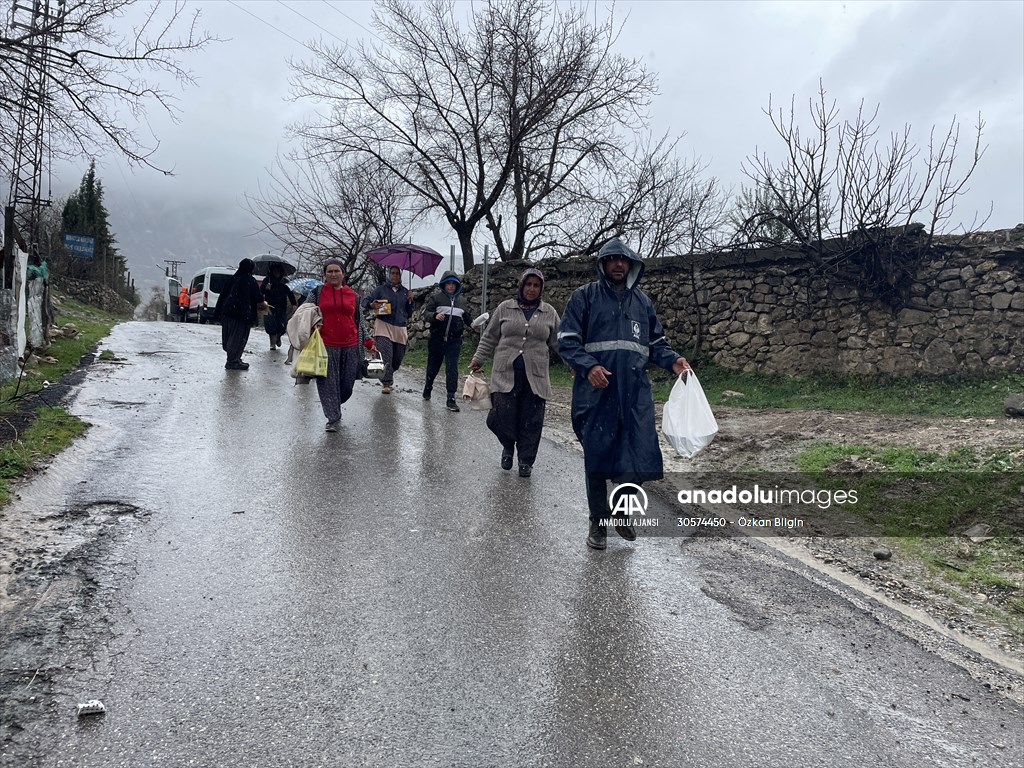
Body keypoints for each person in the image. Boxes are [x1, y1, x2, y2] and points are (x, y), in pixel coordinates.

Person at [558, 238, 693, 551]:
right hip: (596, 395)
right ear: (603, 264)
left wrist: (673, 360)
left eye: (624, 260)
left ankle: (620, 511)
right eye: (613, 259)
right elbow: (566, 341)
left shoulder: (642, 302)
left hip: (634, 396)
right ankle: (597, 523)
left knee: (637, 455)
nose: (619, 265)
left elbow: (655, 343)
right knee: (597, 459)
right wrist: (588, 366)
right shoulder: (584, 297)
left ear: (631, 265)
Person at [469, 268, 561, 478]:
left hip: (535, 377)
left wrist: (575, 364)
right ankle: (508, 445)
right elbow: (490, 337)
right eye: (528, 284)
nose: (531, 289)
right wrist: (478, 358)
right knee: (499, 417)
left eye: (536, 285)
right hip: (505, 374)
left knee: (532, 420)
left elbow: (559, 342)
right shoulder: (505, 308)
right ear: (521, 285)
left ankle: (526, 461)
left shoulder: (549, 313)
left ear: (541, 289)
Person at [301, 259, 372, 431]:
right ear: (325, 275)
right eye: (329, 271)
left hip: (351, 344)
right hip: (325, 345)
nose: (333, 274)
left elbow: (360, 321)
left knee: (347, 385)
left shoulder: (353, 295)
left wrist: (368, 341)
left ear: (343, 274)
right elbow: (304, 312)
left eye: (336, 271)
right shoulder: (317, 293)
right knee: (327, 382)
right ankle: (333, 418)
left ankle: (335, 402)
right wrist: (313, 322)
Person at [422, 271, 475, 412]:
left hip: (454, 340)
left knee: (452, 368)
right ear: (443, 284)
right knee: (433, 366)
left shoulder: (462, 301)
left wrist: (475, 324)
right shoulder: (436, 298)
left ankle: (451, 398)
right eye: (448, 283)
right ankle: (428, 386)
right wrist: (434, 315)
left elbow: (468, 319)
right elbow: (426, 314)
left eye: (453, 283)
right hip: (437, 339)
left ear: (457, 285)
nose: (451, 286)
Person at [362, 266, 415, 394]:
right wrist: (372, 304)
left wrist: (410, 300)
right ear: (389, 275)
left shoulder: (405, 292)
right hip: (383, 325)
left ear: (400, 276)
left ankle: (389, 372)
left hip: (400, 327)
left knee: (397, 359)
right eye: (392, 273)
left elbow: (409, 312)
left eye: (397, 273)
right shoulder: (380, 290)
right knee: (386, 355)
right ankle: (386, 383)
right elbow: (365, 301)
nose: (395, 276)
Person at [213, 258, 266, 370]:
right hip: (242, 314)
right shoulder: (249, 280)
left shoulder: (232, 279)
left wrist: (218, 312)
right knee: (238, 338)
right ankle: (232, 361)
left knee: (228, 337)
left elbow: (223, 296)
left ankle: (234, 358)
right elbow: (258, 297)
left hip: (227, 312)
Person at [261, 263, 297, 350]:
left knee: (282, 325)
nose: (276, 272)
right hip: (269, 306)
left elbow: (290, 293)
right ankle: (272, 343)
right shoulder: (267, 280)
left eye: (278, 271)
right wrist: (266, 288)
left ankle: (278, 336)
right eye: (274, 270)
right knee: (270, 325)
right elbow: (260, 292)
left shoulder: (285, 281)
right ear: (271, 271)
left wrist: (294, 304)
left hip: (281, 307)